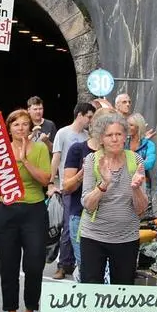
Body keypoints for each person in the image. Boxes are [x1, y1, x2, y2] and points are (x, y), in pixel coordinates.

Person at [0, 108, 51, 312]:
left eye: (25, 124)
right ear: (9, 128)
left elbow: (45, 179)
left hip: (34, 211)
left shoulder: (39, 149)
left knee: (35, 264)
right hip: (6, 211)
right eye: (16, 124)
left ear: (30, 127)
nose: (21, 128)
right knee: (7, 264)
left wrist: (24, 161)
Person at [80, 112, 147, 284]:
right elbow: (88, 205)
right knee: (91, 289)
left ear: (125, 136)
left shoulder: (136, 160)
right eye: (109, 135)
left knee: (123, 290)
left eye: (119, 134)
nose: (115, 139)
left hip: (126, 238)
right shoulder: (92, 160)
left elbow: (141, 210)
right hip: (94, 237)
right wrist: (104, 183)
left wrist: (136, 189)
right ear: (101, 139)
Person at [62, 107, 114, 278]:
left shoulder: (118, 153)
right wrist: (82, 174)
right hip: (81, 218)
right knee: (88, 271)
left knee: (108, 273)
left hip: (112, 220)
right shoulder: (78, 149)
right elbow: (66, 187)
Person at [52, 102, 95, 279]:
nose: (91, 121)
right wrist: (51, 182)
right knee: (69, 227)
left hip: (87, 188)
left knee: (82, 227)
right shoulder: (63, 133)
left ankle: (77, 262)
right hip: (68, 186)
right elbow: (56, 158)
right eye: (89, 117)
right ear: (80, 115)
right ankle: (63, 265)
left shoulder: (87, 137)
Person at [127, 112, 157, 183]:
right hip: (124, 182)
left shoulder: (149, 145)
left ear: (138, 127)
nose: (128, 127)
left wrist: (128, 164)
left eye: (131, 125)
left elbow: (149, 164)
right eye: (127, 124)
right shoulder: (123, 142)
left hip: (142, 182)